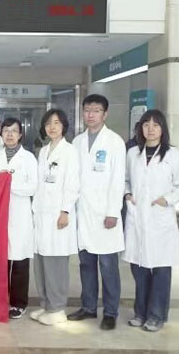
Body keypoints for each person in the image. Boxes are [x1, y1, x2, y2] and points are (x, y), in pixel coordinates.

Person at [124, 109, 179, 332]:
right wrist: (127, 195)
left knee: (161, 270)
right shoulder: (133, 153)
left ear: (162, 129)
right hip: (137, 217)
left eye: (155, 125)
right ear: (140, 128)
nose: (150, 129)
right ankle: (141, 312)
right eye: (146, 125)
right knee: (139, 269)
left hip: (160, 219)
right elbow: (125, 180)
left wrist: (167, 200)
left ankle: (157, 315)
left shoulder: (173, 155)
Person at [67, 94, 126, 330]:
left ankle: (110, 312)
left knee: (108, 267)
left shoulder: (114, 142)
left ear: (105, 114)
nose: (91, 115)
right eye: (87, 110)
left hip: (105, 213)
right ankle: (89, 307)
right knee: (86, 264)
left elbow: (118, 180)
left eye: (96, 110)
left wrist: (113, 212)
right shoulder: (77, 142)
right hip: (83, 213)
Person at [30, 109, 80, 326]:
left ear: (64, 126)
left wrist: (65, 211)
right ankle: (46, 305)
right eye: (48, 123)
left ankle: (57, 308)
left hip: (59, 214)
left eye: (57, 123)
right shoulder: (43, 151)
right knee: (41, 262)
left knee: (56, 264)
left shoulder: (70, 151)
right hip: (42, 214)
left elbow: (73, 184)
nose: (52, 127)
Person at [0, 118, 38, 320]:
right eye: (6, 130)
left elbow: (33, 187)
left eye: (14, 131)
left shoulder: (28, 158)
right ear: (1, 134)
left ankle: (18, 303)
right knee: (0, 261)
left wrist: (9, 184)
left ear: (20, 135)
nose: (9, 134)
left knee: (19, 261)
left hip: (19, 214)